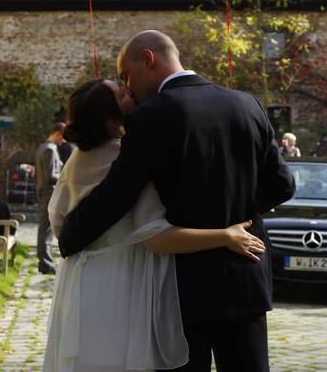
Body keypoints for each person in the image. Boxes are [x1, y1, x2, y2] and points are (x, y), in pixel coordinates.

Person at [57, 31, 296, 372]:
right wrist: (235, 211)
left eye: (127, 76)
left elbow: (118, 193)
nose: (129, 89)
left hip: (183, 285)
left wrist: (71, 236)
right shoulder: (248, 103)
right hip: (247, 269)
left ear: (148, 61)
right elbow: (284, 185)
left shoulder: (150, 117)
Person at [36, 123, 65, 275]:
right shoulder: (50, 149)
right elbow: (50, 177)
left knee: (45, 229)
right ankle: (45, 262)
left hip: (45, 193)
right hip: (49, 193)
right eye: (62, 139)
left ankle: (44, 262)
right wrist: (66, 176)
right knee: (46, 230)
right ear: (57, 134)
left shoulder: (43, 147)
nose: (62, 142)